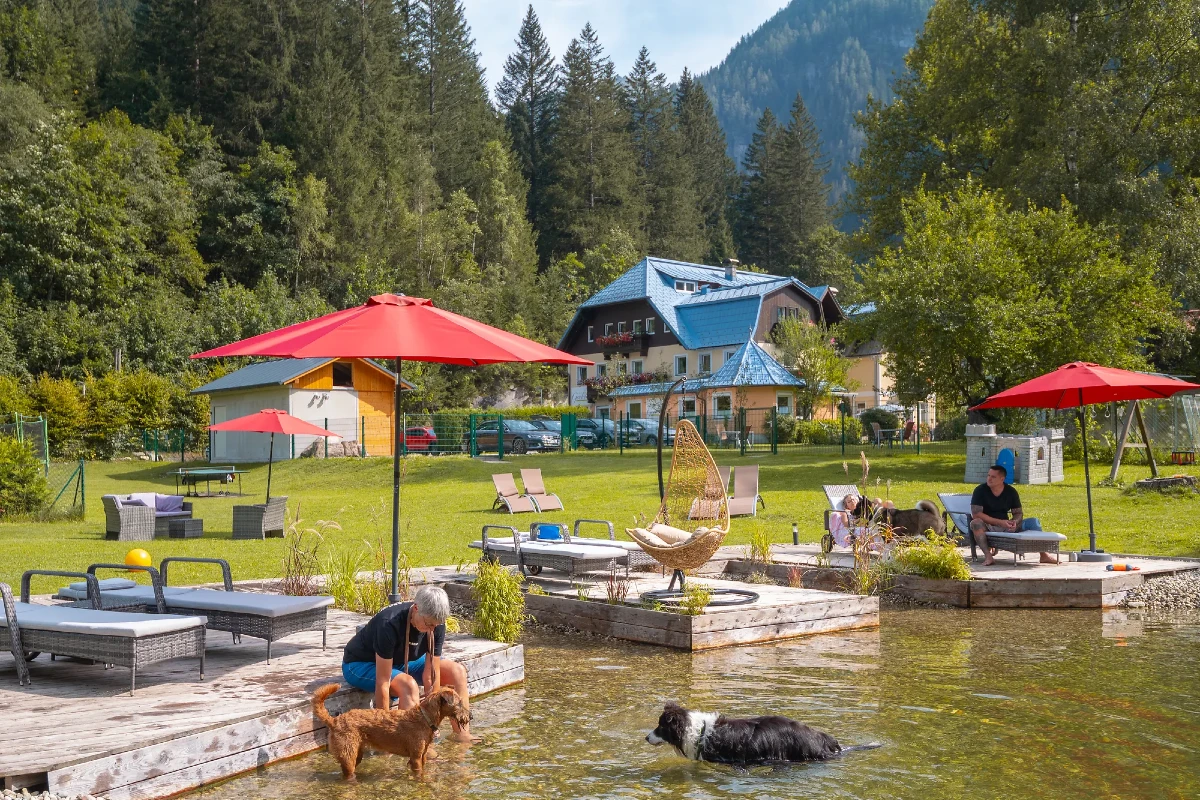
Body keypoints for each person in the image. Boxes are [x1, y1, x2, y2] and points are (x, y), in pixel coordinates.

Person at [341, 585, 477, 743]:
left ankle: (462, 735)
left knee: (457, 672)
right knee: (409, 685)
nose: (431, 630)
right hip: (361, 664)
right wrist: (384, 731)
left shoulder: (436, 623)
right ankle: (409, 745)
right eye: (428, 624)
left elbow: (431, 675)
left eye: (436, 625)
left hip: (400, 662)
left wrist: (434, 720)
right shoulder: (389, 623)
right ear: (416, 609)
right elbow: (383, 682)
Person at [970, 464, 1056, 566]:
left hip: (1007, 526)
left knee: (1034, 522)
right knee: (975, 523)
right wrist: (1000, 522)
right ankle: (988, 556)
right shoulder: (980, 490)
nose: (989, 479)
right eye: (988, 475)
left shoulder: (1010, 492)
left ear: (1002, 479)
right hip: (988, 526)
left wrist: (1015, 521)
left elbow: (1018, 513)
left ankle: (1044, 555)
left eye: (993, 477)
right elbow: (976, 514)